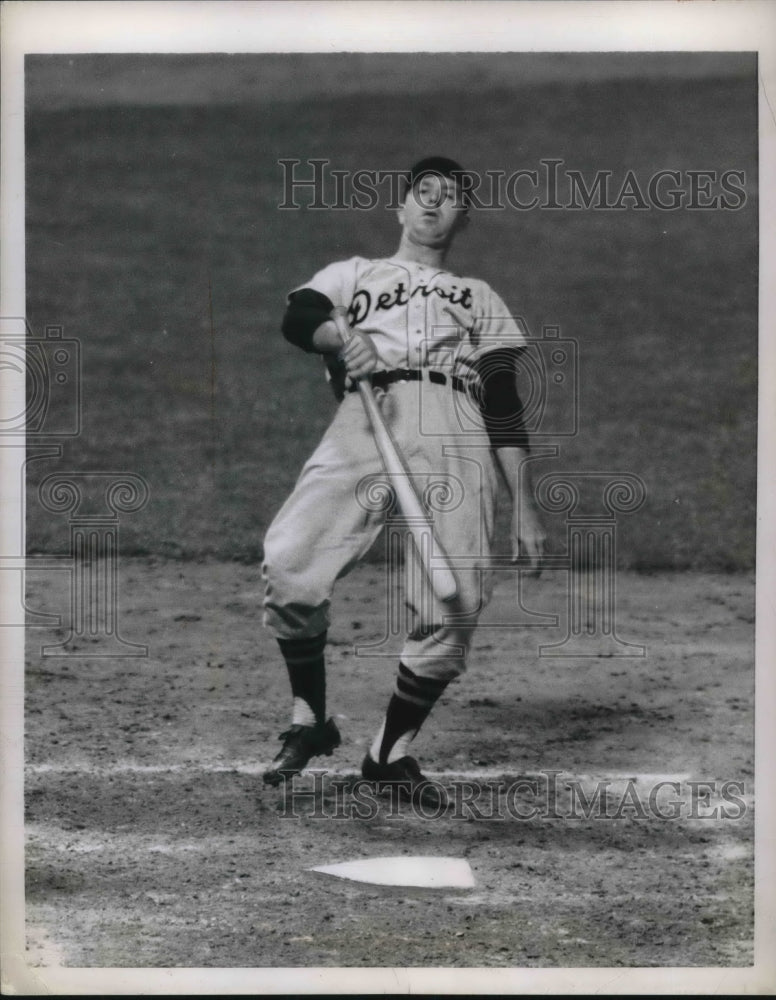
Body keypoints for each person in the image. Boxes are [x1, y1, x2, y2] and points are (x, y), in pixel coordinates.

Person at [261, 156, 545, 808]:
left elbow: (502, 399)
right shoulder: (354, 274)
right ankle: (310, 721)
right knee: (289, 560)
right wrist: (337, 337)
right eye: (423, 194)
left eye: (449, 199)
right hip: (368, 416)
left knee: (457, 601)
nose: (433, 205)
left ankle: (389, 753)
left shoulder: (477, 294)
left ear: (462, 216)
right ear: (400, 206)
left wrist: (524, 505)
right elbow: (299, 317)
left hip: (457, 428)